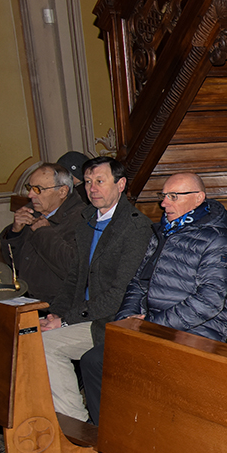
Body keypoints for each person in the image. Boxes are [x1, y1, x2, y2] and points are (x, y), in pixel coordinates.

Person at [77, 173, 227, 424]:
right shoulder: (163, 231)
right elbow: (137, 282)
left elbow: (209, 302)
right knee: (95, 361)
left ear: (198, 199)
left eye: (173, 197)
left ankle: (138, 434)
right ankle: (112, 433)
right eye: (163, 196)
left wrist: (152, 324)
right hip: (152, 327)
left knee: (141, 374)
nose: (164, 203)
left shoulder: (216, 239)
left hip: (196, 332)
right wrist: (127, 319)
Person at [39, 157, 154, 422]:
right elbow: (74, 279)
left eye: (100, 181)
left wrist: (66, 320)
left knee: (44, 345)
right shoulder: (87, 221)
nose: (92, 189)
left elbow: (119, 294)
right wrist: (55, 314)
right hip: (86, 315)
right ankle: (57, 418)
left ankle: (76, 425)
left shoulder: (136, 227)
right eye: (89, 182)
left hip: (110, 320)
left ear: (121, 184)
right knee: (32, 335)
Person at [0, 163, 86, 306]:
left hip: (57, 305)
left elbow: (72, 269)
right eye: (30, 188)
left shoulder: (82, 219)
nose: (30, 195)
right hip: (25, 297)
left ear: (62, 192)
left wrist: (43, 232)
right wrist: (15, 232)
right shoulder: (31, 211)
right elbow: (13, 264)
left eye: (38, 189)